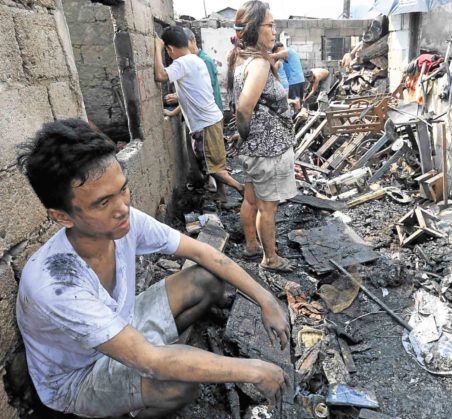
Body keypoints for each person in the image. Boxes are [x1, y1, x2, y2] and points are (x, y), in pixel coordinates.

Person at [15, 119, 289, 417]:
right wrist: (256, 371)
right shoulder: (56, 284)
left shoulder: (123, 220)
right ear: (62, 216)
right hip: (78, 378)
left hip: (124, 327)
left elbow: (202, 252)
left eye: (123, 189)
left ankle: (154, 367)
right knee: (179, 384)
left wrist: (266, 299)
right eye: (103, 202)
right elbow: (150, 360)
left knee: (205, 279)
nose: (122, 207)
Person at [228, 1, 297, 272]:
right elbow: (244, 108)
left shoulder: (242, 59)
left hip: (256, 149)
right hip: (267, 150)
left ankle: (251, 245)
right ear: (255, 28)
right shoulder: (258, 63)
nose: (274, 31)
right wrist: (247, 135)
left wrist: (245, 138)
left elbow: (246, 108)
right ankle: (271, 259)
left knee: (251, 199)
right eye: (271, 25)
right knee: (268, 208)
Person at [154, 26, 244, 203]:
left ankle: (243, 190)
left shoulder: (182, 63)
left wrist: (157, 48)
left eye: (167, 51)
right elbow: (190, 96)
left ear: (170, 49)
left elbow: (160, 75)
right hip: (211, 120)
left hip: (205, 124)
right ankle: (222, 194)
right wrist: (173, 112)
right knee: (215, 163)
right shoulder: (196, 61)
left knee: (213, 168)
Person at [272, 43, 304, 111]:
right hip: (300, 80)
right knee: (298, 100)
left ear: (278, 49)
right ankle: (300, 115)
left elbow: (274, 56)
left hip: (294, 80)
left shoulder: (287, 51)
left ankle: (297, 117)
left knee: (294, 101)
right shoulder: (292, 52)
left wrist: (261, 54)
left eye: (276, 52)